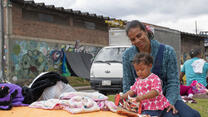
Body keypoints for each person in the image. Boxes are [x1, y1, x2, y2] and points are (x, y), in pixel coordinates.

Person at [122, 20, 200, 117]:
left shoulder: (167, 52)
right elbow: (127, 83)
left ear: (145, 32)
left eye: (139, 35)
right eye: (133, 39)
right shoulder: (127, 55)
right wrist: (131, 104)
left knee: (192, 115)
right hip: (143, 101)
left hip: (168, 97)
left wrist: (170, 102)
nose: (137, 40)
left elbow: (173, 81)